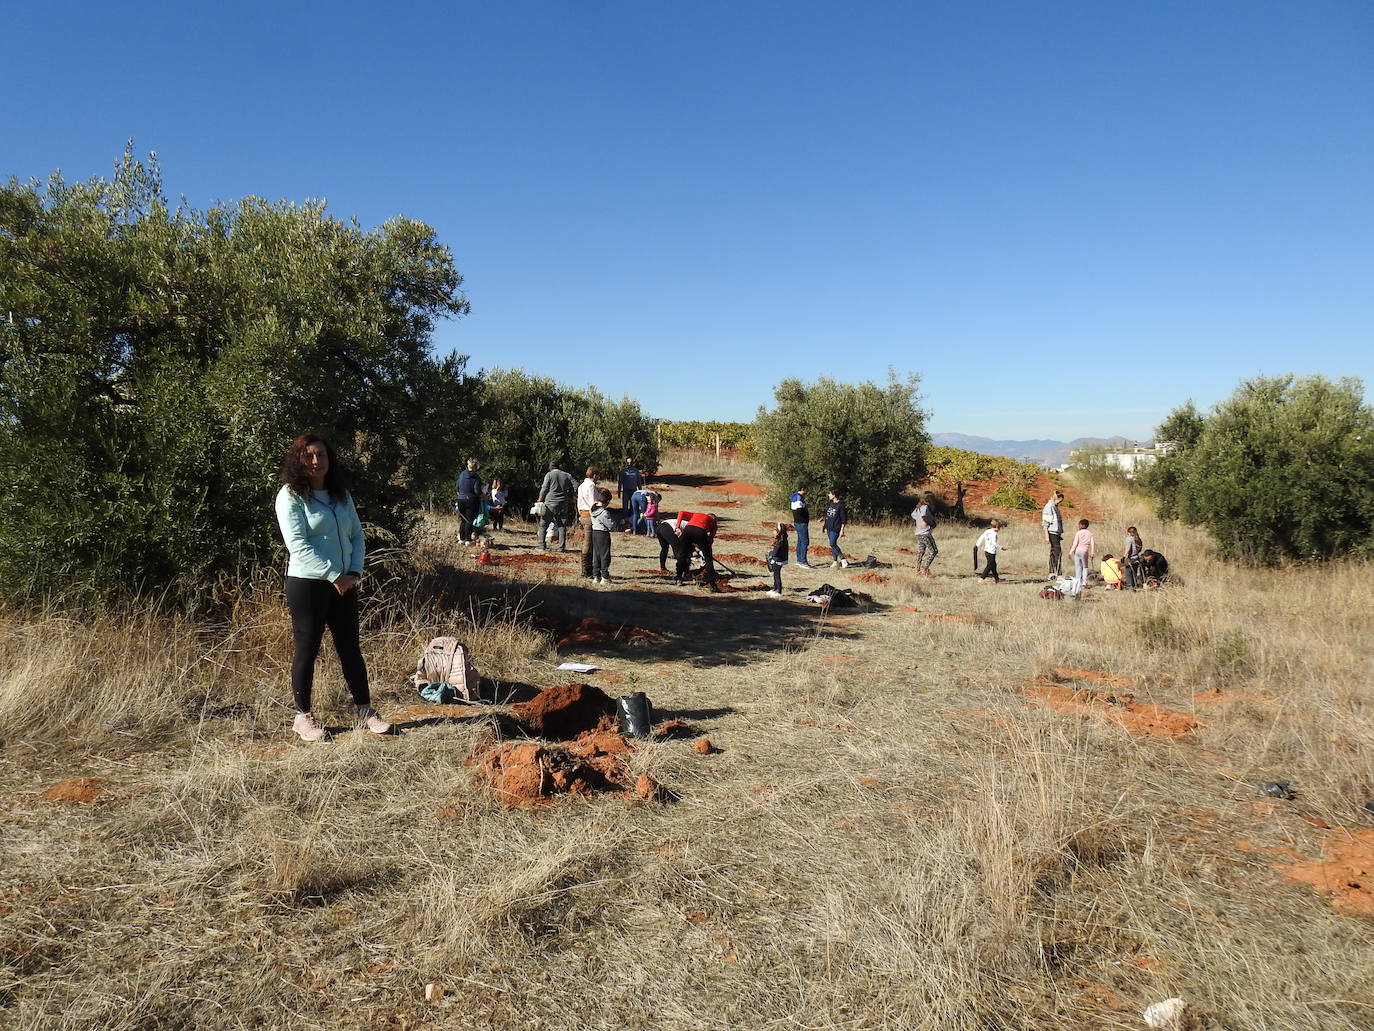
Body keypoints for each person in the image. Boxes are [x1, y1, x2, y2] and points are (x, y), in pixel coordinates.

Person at [275, 434, 390, 742]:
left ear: (330, 459)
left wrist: (353, 571)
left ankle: (365, 710)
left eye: (321, 455)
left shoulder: (341, 494)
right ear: (298, 460)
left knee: (350, 648)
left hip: (345, 583)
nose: (316, 462)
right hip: (308, 583)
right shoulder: (290, 496)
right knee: (307, 648)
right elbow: (297, 545)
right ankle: (303, 717)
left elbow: (357, 536)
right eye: (309, 456)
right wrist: (332, 574)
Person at [536, 460, 576, 551]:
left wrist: (539, 500)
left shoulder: (549, 475)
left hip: (550, 503)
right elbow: (576, 485)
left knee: (543, 524)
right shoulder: (567, 475)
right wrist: (570, 496)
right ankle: (561, 547)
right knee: (561, 525)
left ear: (550, 467)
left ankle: (541, 546)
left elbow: (544, 489)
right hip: (563, 503)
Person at [673, 509, 719, 586]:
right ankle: (712, 585)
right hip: (700, 532)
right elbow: (710, 540)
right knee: (708, 559)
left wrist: (677, 526)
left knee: (682, 556)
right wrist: (706, 551)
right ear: (714, 518)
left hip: (687, 530)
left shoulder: (697, 514)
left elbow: (681, 512)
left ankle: (678, 579)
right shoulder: (713, 522)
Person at [576, 466, 600, 578]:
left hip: (582, 514)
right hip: (590, 516)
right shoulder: (591, 485)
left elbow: (578, 503)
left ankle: (587, 569)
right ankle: (586, 570)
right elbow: (592, 503)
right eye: (598, 476)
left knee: (588, 542)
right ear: (594, 476)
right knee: (588, 543)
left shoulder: (581, 486)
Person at [590, 488, 617, 584]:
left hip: (594, 533)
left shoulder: (593, 508)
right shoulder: (604, 513)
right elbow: (610, 526)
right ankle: (604, 577)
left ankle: (596, 576)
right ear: (607, 502)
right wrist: (615, 524)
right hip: (603, 534)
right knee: (605, 555)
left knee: (596, 555)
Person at [455, 457, 481, 545]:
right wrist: (483, 496)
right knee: (469, 520)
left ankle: (461, 539)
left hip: (460, 499)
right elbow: (477, 491)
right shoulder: (476, 477)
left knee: (463, 520)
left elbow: (457, 488)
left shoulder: (461, 474)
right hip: (471, 500)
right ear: (475, 467)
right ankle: (468, 540)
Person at [974, 519, 1008, 584]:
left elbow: (981, 538)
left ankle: (997, 579)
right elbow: (994, 543)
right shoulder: (994, 534)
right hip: (991, 552)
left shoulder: (987, 531)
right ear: (997, 527)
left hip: (986, 551)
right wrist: (1002, 548)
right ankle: (981, 578)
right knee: (990, 565)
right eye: (1000, 527)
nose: (1000, 529)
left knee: (993, 565)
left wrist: (977, 545)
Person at [912, 491, 938, 576]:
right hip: (925, 533)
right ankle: (925, 569)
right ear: (928, 500)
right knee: (933, 551)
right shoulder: (925, 507)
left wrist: (919, 521)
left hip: (918, 533)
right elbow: (924, 516)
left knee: (921, 551)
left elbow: (913, 515)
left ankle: (917, 570)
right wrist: (927, 522)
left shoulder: (918, 507)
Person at [1042, 490, 1065, 577]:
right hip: (1052, 533)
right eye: (1060, 500)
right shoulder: (1049, 507)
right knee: (1057, 552)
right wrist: (1046, 536)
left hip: (1056, 533)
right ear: (1057, 498)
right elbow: (1045, 523)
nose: (1060, 502)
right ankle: (1058, 573)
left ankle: (1052, 572)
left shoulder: (1055, 507)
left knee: (1053, 552)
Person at [823, 488, 848, 568]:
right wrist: (824, 525)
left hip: (836, 527)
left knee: (832, 543)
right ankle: (835, 561)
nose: (828, 495)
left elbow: (843, 518)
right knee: (832, 544)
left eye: (829, 494)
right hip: (829, 527)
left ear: (834, 495)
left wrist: (842, 530)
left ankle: (843, 559)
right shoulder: (830, 503)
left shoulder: (840, 504)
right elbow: (827, 515)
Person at [1070, 518, 1096, 593]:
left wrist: (1070, 552)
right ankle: (1084, 582)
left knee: (1078, 567)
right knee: (1085, 567)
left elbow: (1075, 543)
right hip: (1085, 551)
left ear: (1082, 525)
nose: (1079, 526)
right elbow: (1092, 543)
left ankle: (1078, 582)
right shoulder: (1090, 533)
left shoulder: (1078, 533)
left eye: (1079, 524)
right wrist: (1092, 552)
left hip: (1077, 550)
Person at [765, 522, 790, 597]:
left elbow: (775, 553)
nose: (773, 532)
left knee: (777, 575)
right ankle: (775, 588)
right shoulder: (783, 539)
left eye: (774, 530)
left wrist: (770, 553)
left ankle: (778, 590)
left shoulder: (780, 542)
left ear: (778, 531)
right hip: (780, 560)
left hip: (777, 561)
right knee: (775, 575)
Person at [790, 484, 812, 568]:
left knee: (800, 541)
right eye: (806, 489)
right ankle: (803, 561)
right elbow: (798, 510)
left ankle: (799, 560)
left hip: (798, 523)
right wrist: (805, 507)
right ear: (803, 489)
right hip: (801, 523)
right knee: (805, 542)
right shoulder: (798, 497)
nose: (807, 491)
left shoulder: (795, 496)